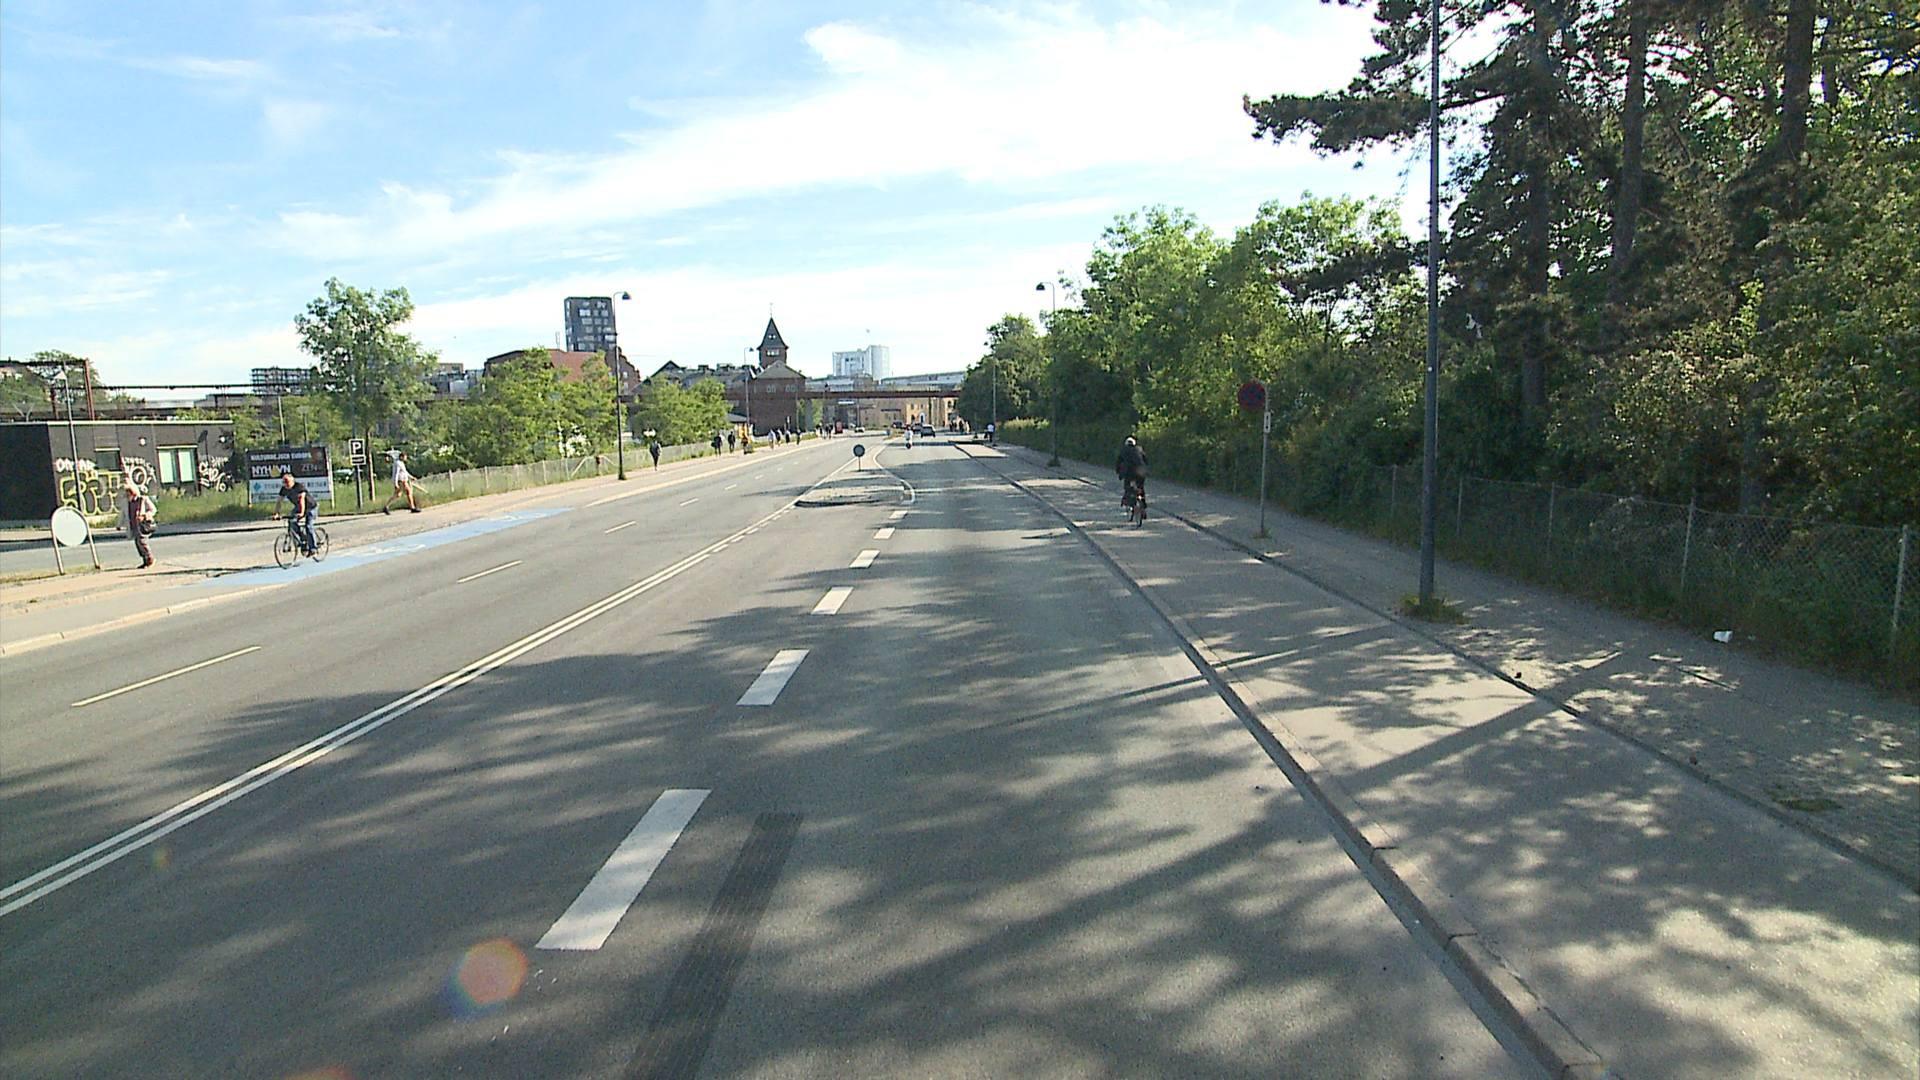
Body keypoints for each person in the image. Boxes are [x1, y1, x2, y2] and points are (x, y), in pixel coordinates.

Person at [275, 471, 318, 555]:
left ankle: (313, 548)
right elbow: (279, 502)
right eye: (284, 482)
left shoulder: (299, 487)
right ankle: (303, 539)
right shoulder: (284, 489)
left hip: (310, 507)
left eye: (287, 482)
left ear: (292, 481)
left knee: (309, 526)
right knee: (291, 522)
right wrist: (277, 513)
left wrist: (302, 513)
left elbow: (302, 500)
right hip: (298, 507)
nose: (286, 485)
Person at [123, 476, 155, 569]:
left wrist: (145, 515)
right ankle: (145, 560)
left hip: (142, 525)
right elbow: (123, 514)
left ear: (133, 493)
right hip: (133, 525)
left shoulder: (142, 499)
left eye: (128, 494)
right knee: (138, 544)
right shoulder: (128, 503)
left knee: (142, 542)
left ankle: (150, 559)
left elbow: (153, 510)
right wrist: (119, 525)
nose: (127, 496)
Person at [1116, 435, 1148, 509]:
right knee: (1140, 487)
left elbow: (1118, 462)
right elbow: (1146, 460)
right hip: (1140, 471)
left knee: (1128, 486)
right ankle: (1143, 502)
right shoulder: (1139, 449)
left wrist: (1118, 471)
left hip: (1129, 472)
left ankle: (1129, 500)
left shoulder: (1123, 450)